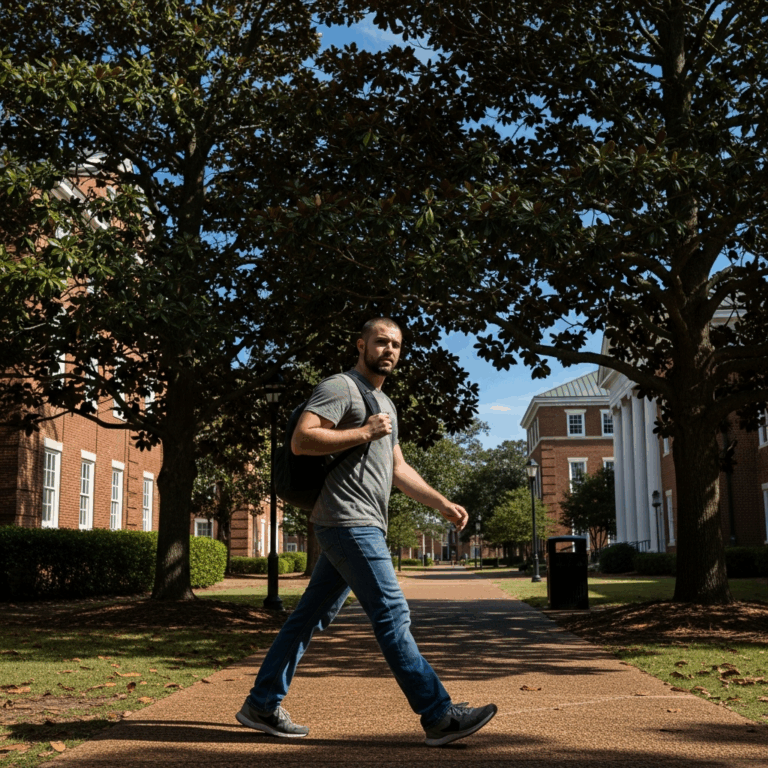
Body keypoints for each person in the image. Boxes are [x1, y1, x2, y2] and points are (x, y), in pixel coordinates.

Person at [235, 318, 497, 747]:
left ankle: (262, 704)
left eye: (395, 344)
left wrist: (442, 503)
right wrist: (363, 431)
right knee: (393, 616)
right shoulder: (340, 387)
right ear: (361, 344)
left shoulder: (386, 403)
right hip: (348, 521)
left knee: (307, 618)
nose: (389, 350)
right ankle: (438, 715)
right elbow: (303, 440)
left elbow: (398, 469)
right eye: (381, 342)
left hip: (360, 522)